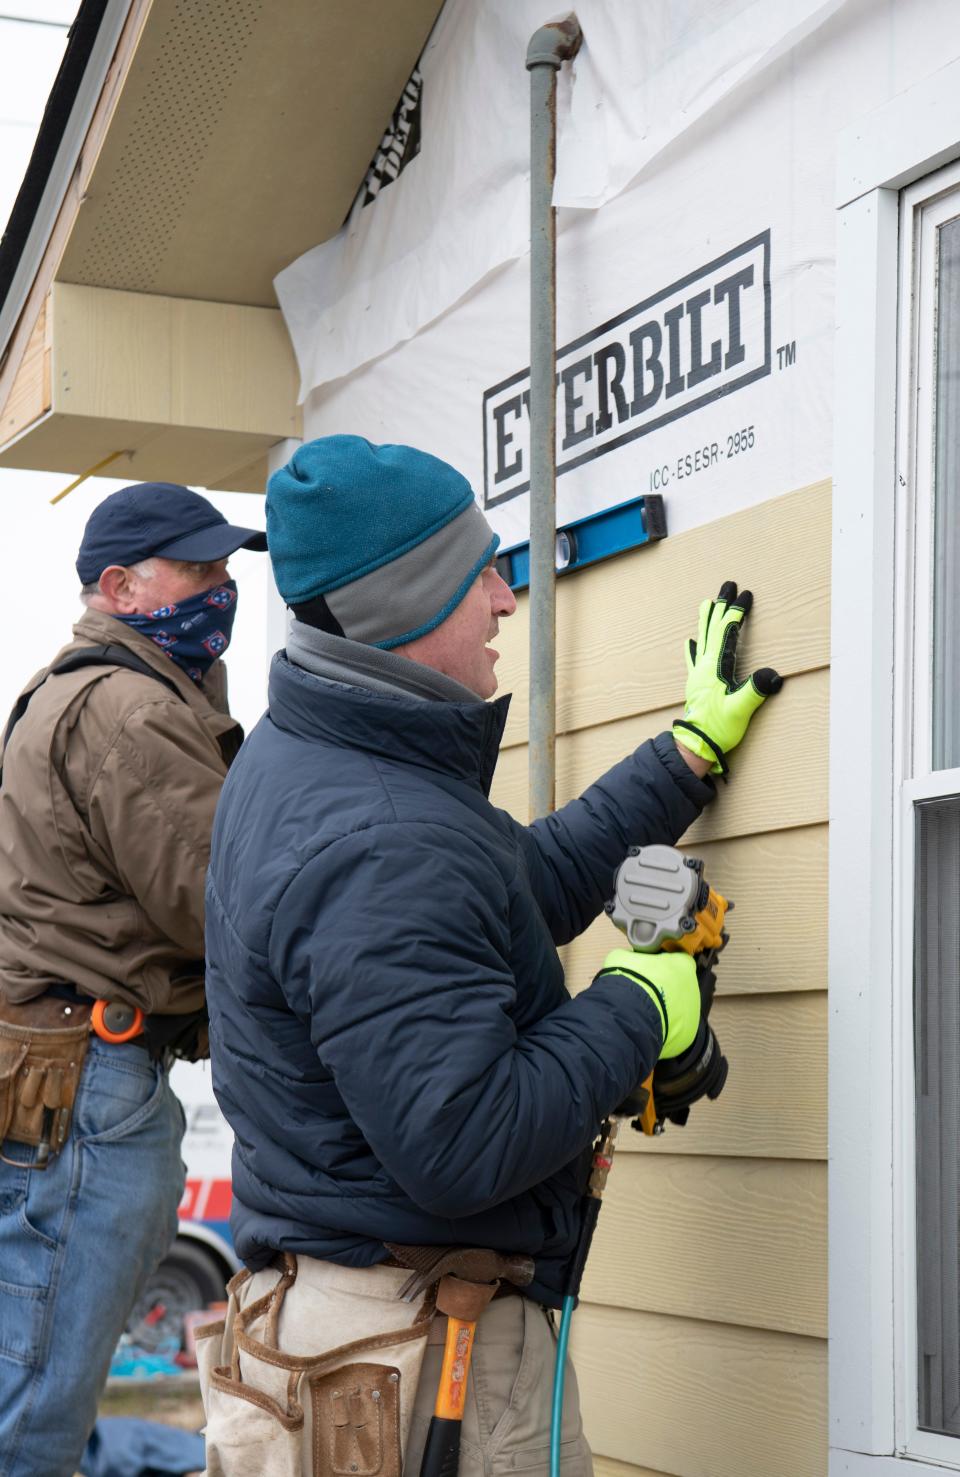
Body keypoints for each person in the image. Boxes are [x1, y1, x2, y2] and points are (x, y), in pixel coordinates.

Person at [200, 435, 782, 1476]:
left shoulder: (322, 760)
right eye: (481, 571)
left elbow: (512, 886)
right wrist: (640, 1003)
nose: (507, 599)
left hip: (356, 1319)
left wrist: (684, 756)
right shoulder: (382, 834)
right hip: (419, 1355)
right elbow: (463, 1139)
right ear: (405, 606)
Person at [0, 481, 266, 1477]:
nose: (222, 586)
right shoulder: (129, 709)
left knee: (29, 1393)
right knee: (32, 1417)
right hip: (91, 1085)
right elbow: (227, 908)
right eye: (197, 568)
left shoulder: (78, 689)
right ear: (117, 584)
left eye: (225, 566)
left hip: (62, 1074)